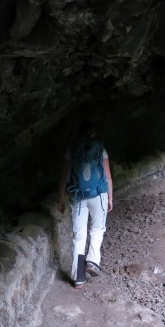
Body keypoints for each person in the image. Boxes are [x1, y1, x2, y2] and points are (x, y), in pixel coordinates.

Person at [56, 120, 114, 289]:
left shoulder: (72, 149)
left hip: (78, 196)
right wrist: (110, 197)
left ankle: (78, 277)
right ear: (94, 133)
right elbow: (107, 176)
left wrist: (60, 198)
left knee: (79, 235)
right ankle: (92, 261)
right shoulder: (100, 148)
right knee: (97, 229)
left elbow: (64, 175)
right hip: (99, 194)